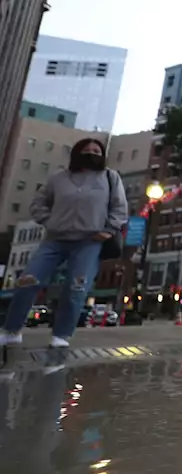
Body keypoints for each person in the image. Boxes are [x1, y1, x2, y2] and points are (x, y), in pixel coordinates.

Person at [2, 138, 127, 348]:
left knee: (76, 289)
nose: (92, 153)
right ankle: (12, 330)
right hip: (54, 241)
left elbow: (120, 208)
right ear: (76, 153)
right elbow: (38, 203)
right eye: (86, 150)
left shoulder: (110, 177)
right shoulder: (58, 178)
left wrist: (108, 230)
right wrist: (49, 222)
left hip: (89, 242)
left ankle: (61, 336)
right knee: (27, 281)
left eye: (97, 151)